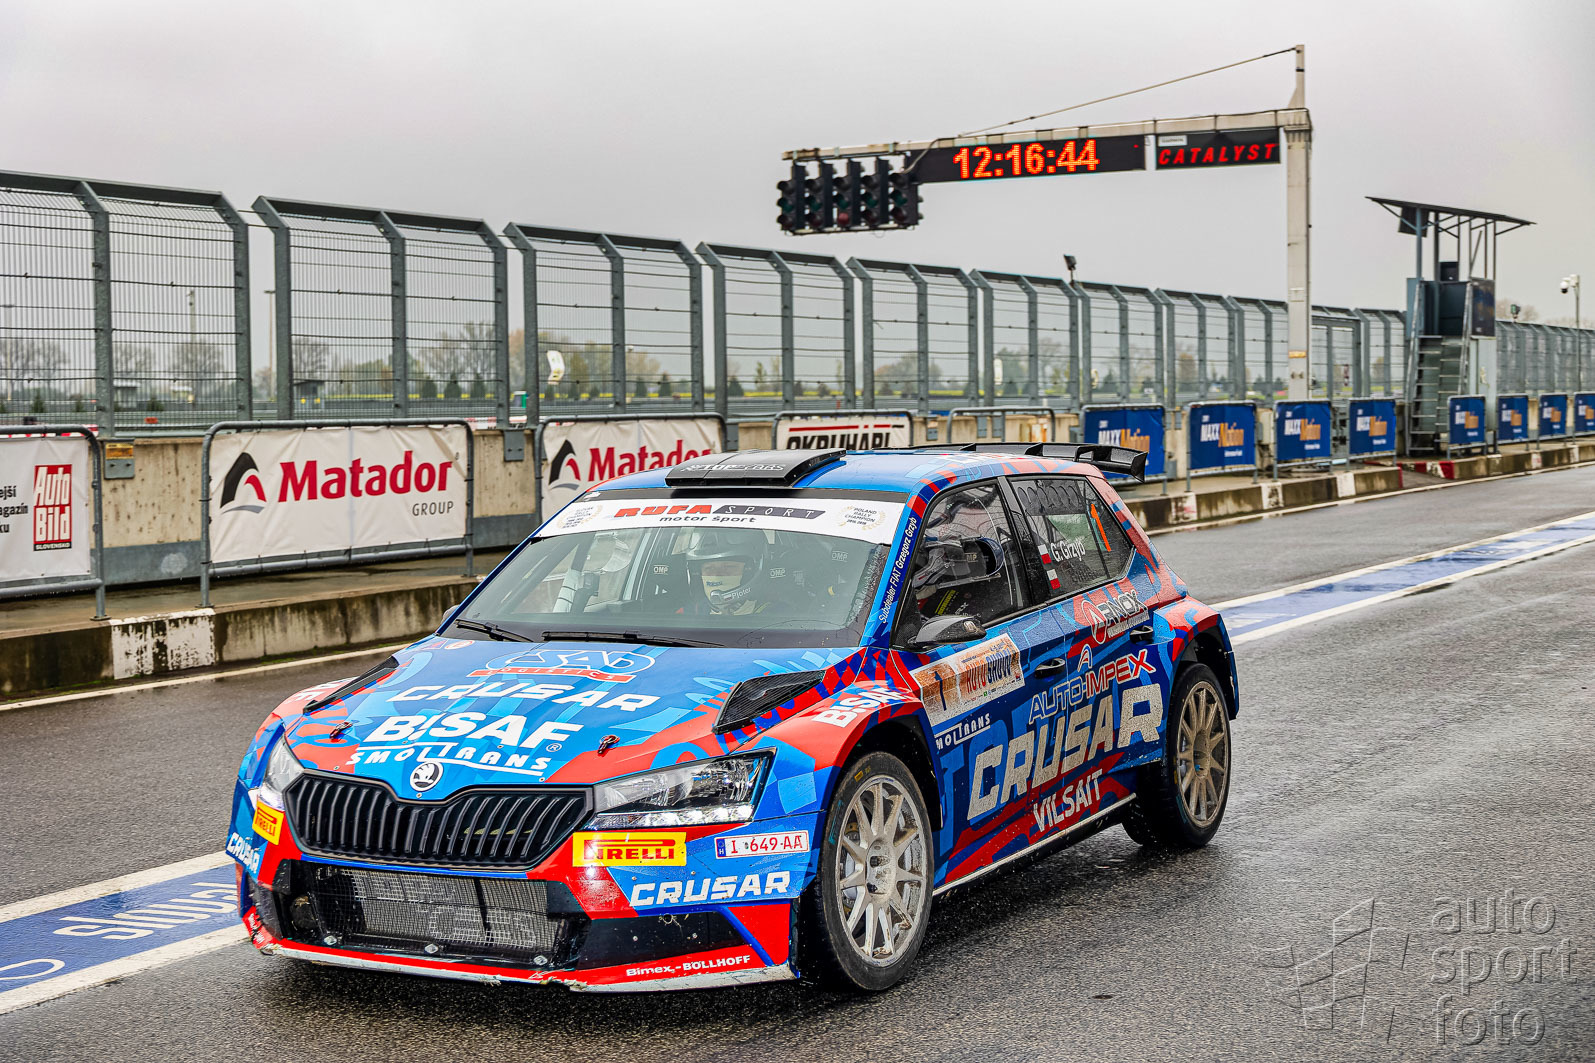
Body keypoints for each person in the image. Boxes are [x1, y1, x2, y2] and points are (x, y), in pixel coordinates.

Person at [683, 529, 781, 616]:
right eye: (709, 568)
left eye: (728, 567)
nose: (717, 575)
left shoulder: (777, 616)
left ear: (751, 571)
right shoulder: (688, 615)